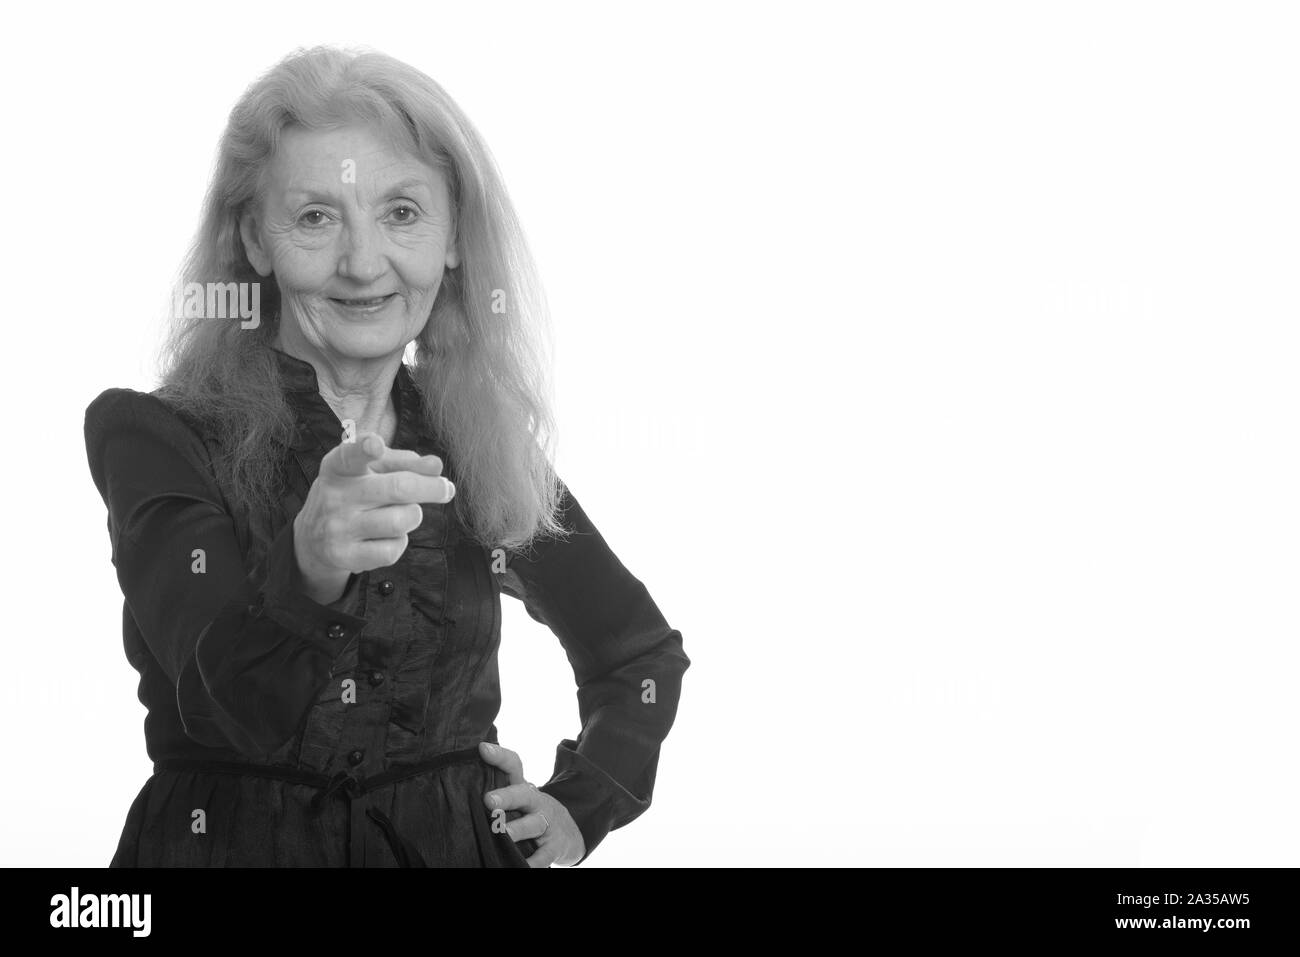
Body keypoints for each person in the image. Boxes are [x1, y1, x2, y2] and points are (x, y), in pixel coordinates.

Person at [83, 45, 689, 867]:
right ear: (254, 240)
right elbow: (229, 704)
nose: (364, 264)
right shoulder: (155, 439)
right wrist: (307, 567)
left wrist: (582, 803)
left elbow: (636, 654)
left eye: (402, 212)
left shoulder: (476, 443)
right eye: (315, 217)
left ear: (451, 240)